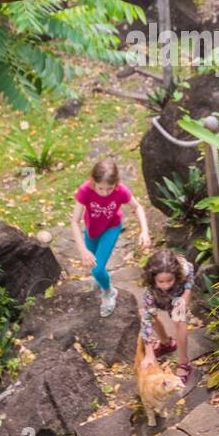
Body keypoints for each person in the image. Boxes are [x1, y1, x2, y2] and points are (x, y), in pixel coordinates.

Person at [71, 159, 150, 316]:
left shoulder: (121, 191)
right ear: (93, 181)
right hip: (91, 230)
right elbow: (74, 221)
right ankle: (101, 280)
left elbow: (138, 207)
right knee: (92, 265)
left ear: (116, 183)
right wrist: (82, 250)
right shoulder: (85, 190)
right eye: (101, 188)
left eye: (110, 189)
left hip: (111, 228)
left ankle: (109, 292)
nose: (105, 193)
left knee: (97, 268)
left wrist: (144, 231)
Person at [139, 249, 195, 381]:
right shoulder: (150, 291)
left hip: (177, 297)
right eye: (161, 281)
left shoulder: (183, 267)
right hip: (159, 299)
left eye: (169, 280)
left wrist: (186, 293)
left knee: (179, 320)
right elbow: (146, 319)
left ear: (176, 274)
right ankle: (166, 343)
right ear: (153, 278)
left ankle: (183, 362)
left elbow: (191, 272)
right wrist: (149, 353)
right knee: (148, 314)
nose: (165, 285)